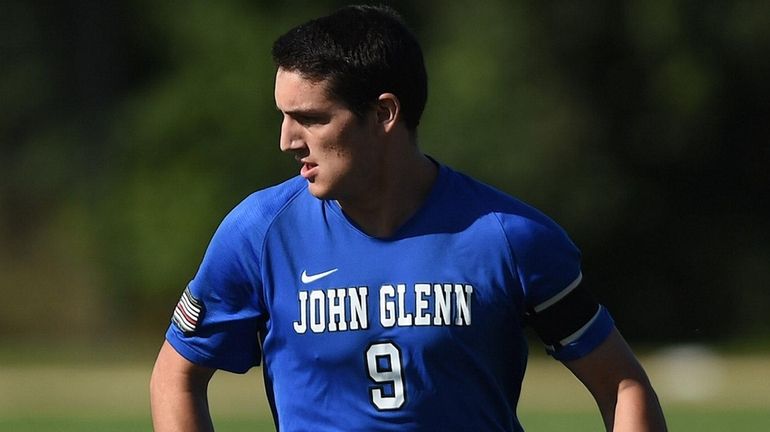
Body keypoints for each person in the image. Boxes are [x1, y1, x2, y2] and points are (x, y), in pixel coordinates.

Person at [150, 5, 667, 431]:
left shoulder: (510, 237)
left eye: (310, 118)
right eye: (284, 116)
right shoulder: (259, 233)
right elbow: (175, 377)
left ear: (384, 114)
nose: (287, 140)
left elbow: (623, 385)